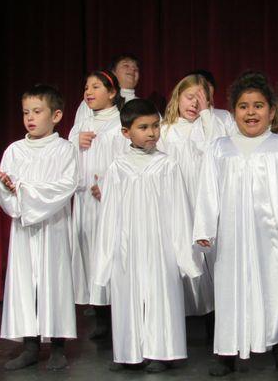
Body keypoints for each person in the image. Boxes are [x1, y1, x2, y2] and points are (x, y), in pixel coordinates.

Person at [194, 71, 278, 376]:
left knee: (277, 289)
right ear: (234, 111)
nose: (251, 112)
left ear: (272, 110)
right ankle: (226, 353)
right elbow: (208, 190)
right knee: (231, 290)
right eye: (243, 106)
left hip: (275, 235)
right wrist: (204, 228)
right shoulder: (219, 148)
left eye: (258, 105)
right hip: (232, 236)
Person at [93, 99, 202, 372]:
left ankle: (162, 352)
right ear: (126, 132)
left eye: (155, 126)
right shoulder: (118, 167)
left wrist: (183, 256)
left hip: (159, 243)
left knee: (160, 294)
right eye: (143, 127)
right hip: (127, 243)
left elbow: (180, 212)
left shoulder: (167, 166)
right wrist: (106, 256)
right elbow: (108, 216)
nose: (152, 132)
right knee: (126, 294)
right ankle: (129, 352)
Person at [0, 85, 78, 370]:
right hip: (24, 231)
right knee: (25, 283)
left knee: (53, 281)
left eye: (37, 111)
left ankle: (57, 345)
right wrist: (8, 189)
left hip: (53, 228)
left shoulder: (65, 149)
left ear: (56, 115)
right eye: (25, 112)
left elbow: (64, 187)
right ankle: (30, 345)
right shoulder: (15, 150)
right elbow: (3, 190)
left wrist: (23, 190)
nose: (30, 117)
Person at [157, 75, 227, 327]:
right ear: (177, 97)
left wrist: (207, 115)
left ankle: (214, 319)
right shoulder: (165, 130)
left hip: (203, 201)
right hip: (177, 202)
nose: (194, 105)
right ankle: (182, 318)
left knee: (208, 256)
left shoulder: (209, 126)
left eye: (201, 100)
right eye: (190, 97)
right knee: (181, 255)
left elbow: (217, 148)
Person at [68, 70, 129, 338]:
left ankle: (121, 316)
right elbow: (64, 161)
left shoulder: (120, 123)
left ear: (112, 92)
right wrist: (73, 143)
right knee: (90, 254)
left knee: (113, 253)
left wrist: (108, 185)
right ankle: (101, 316)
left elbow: (127, 160)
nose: (88, 92)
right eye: (86, 87)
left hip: (110, 201)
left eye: (95, 86)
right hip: (85, 201)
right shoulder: (82, 124)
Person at [72, 54, 140, 126]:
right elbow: (78, 131)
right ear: (113, 72)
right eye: (126, 65)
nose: (133, 69)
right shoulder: (91, 99)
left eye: (136, 68)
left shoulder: (141, 105)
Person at [187, 69, 236, 133]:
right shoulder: (173, 124)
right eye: (191, 97)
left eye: (207, 99)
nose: (196, 104)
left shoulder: (224, 117)